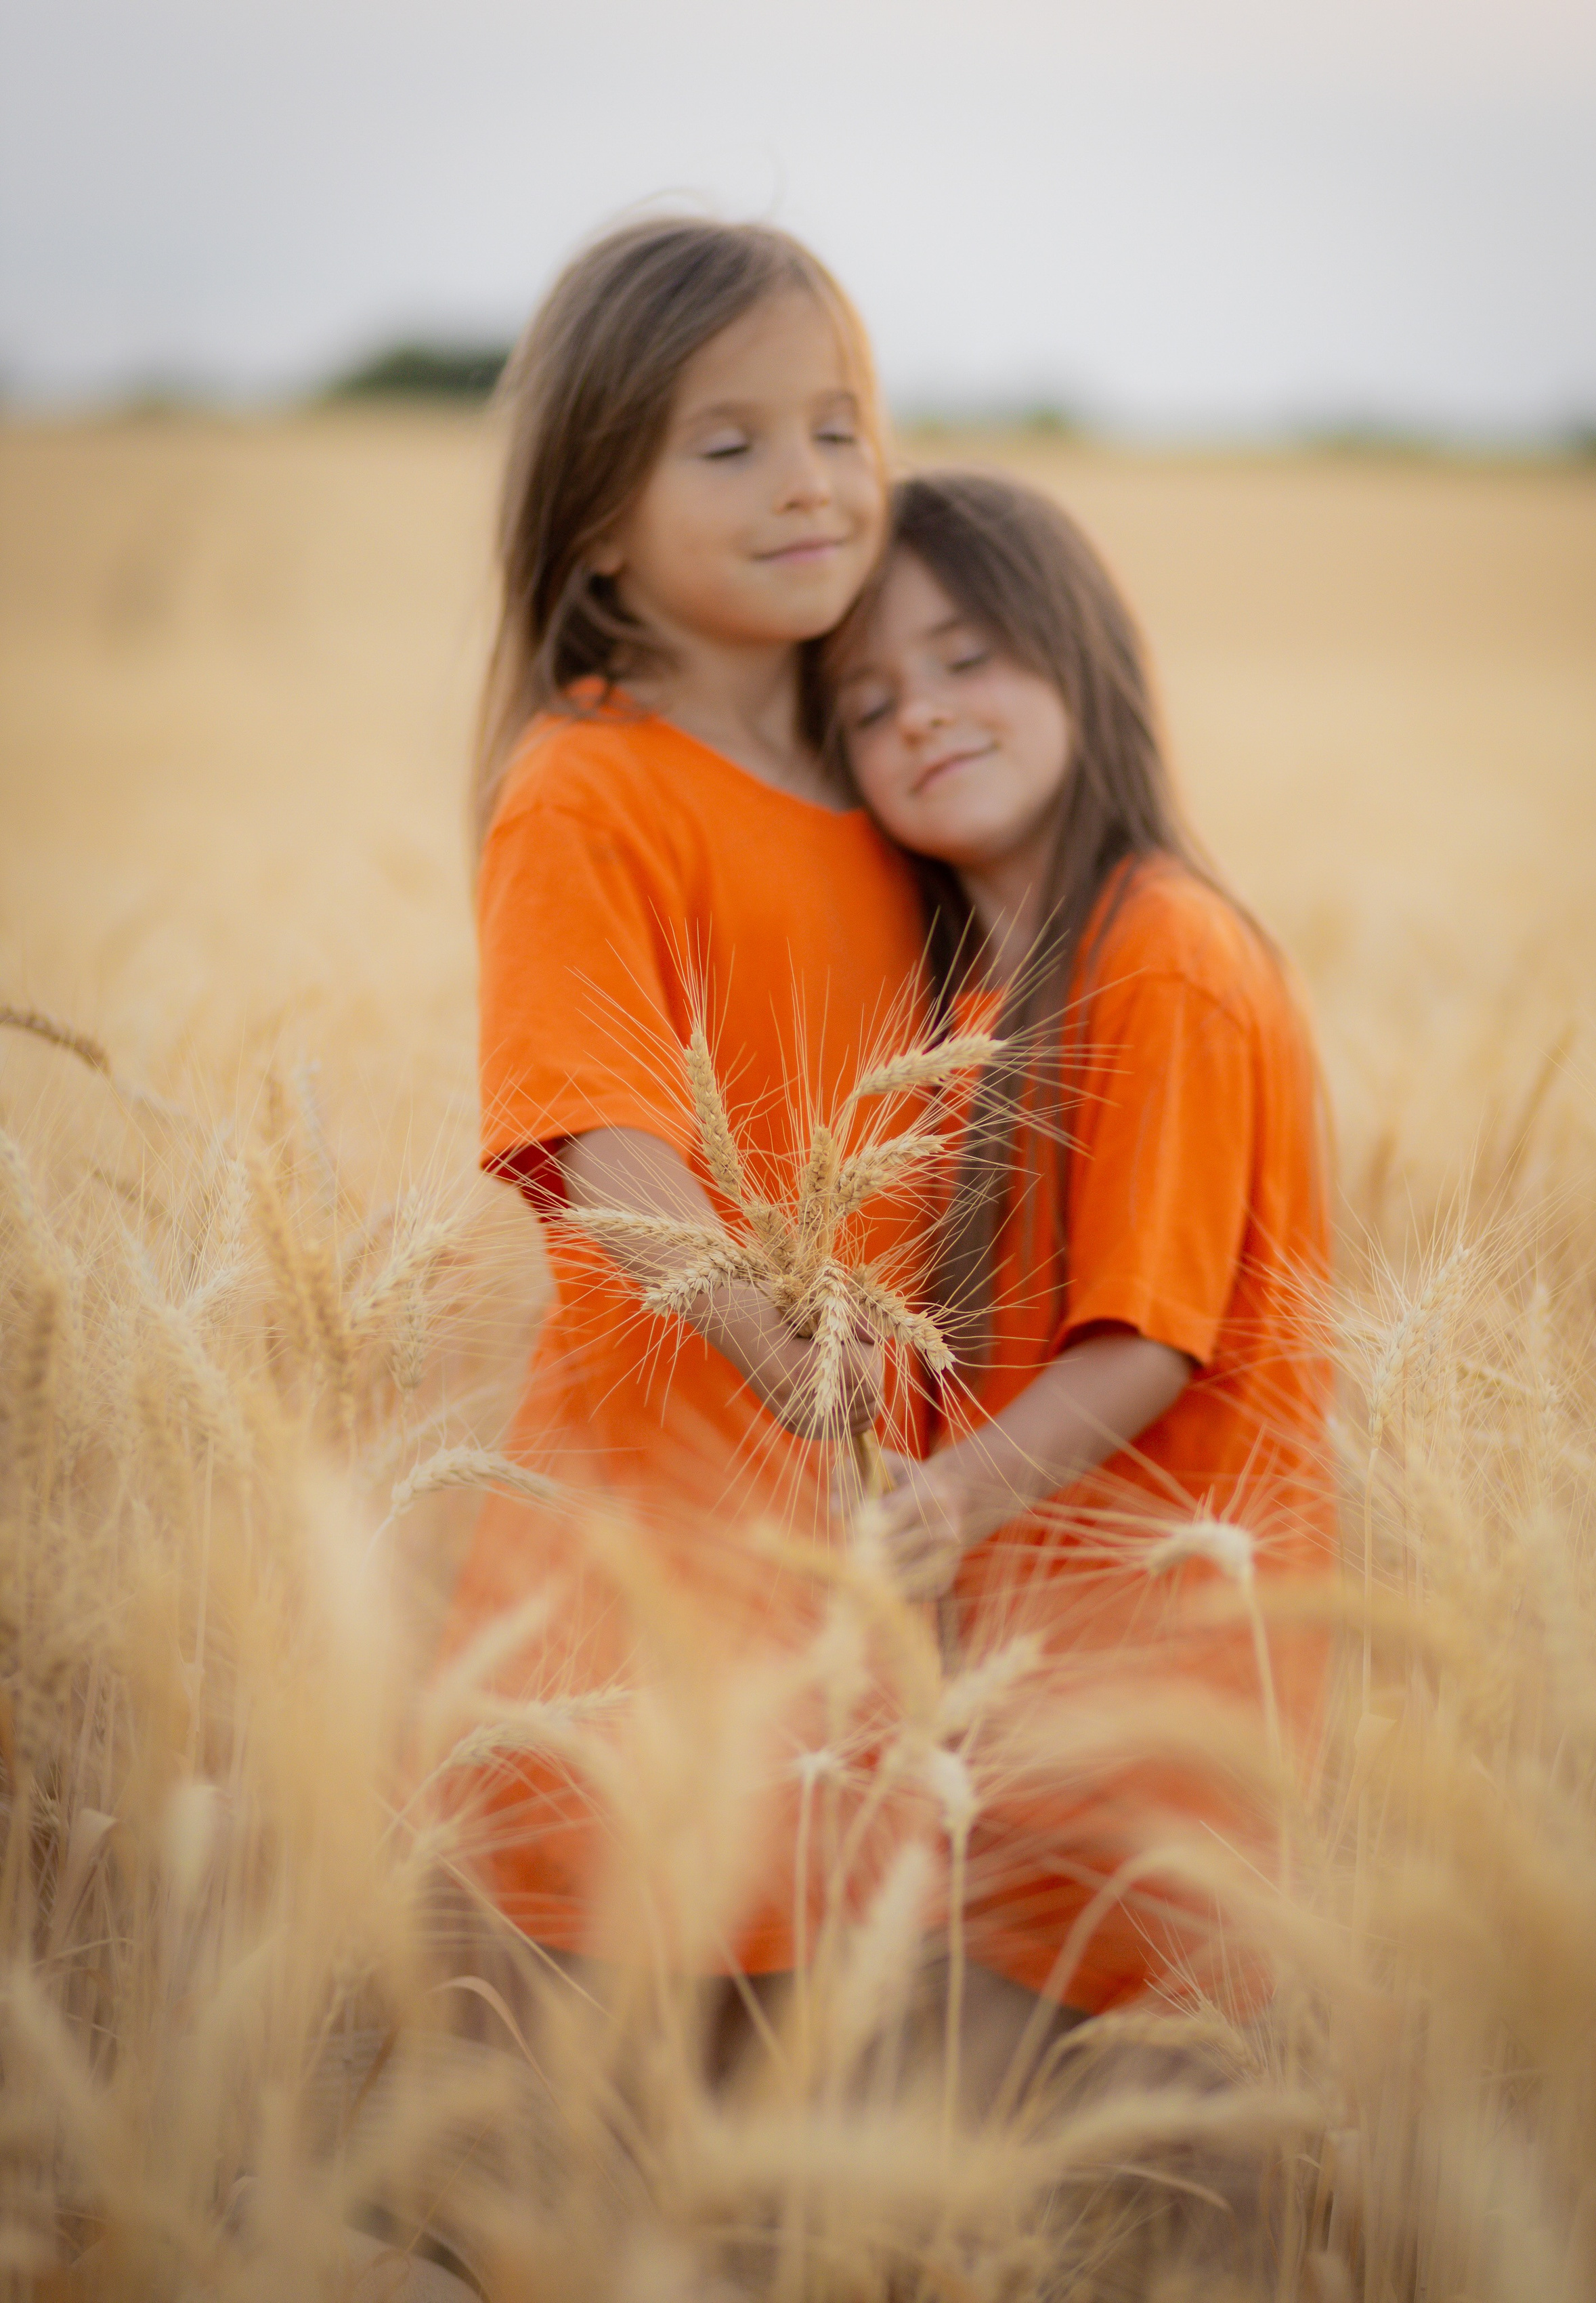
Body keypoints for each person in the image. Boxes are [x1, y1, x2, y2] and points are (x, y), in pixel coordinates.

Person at [441, 218, 933, 1981]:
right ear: (595, 516)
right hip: (647, 1525)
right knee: (612, 2054)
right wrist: (753, 1311)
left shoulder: (900, 777)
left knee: (807, 2057)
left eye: (840, 424)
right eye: (728, 445)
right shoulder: (591, 788)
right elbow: (597, 1127)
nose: (808, 482)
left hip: (867, 1539)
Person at [827, 468, 1336, 2034]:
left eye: (967, 655)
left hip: (1143, 1705)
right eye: (863, 700)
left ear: (1081, 657)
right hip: (1015, 1696)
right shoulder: (976, 1004)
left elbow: (1144, 1338)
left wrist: (936, 1507)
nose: (919, 711)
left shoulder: (1160, 954)